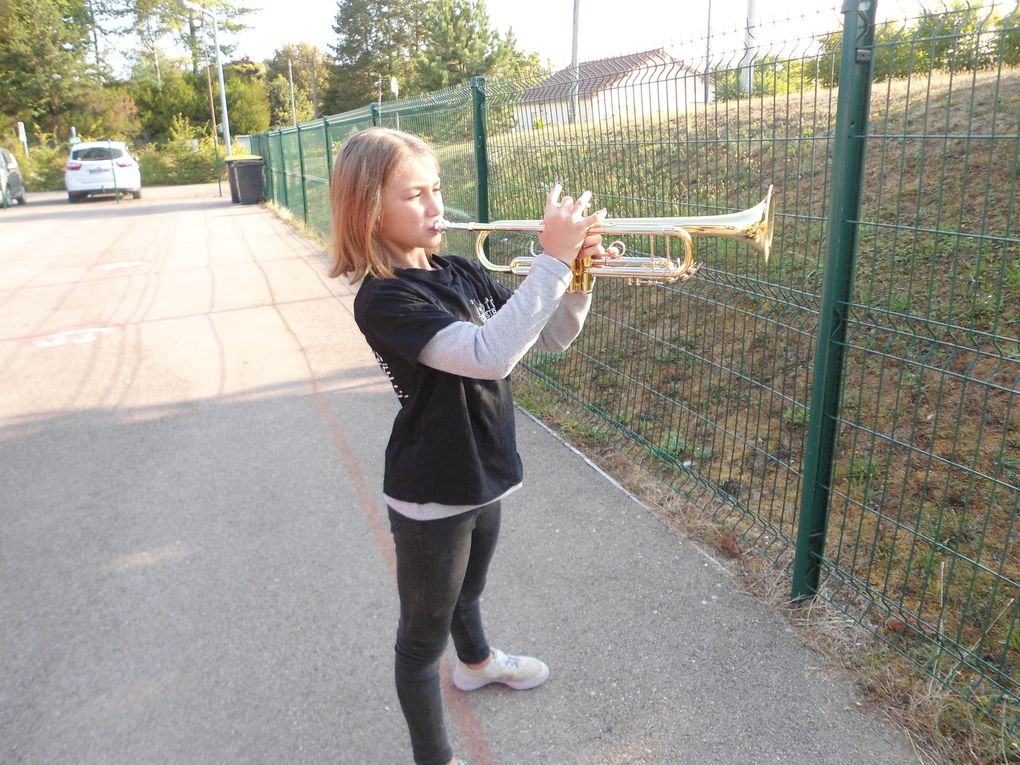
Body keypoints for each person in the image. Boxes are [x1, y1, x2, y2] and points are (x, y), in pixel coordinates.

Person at [329, 127, 612, 765]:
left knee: (469, 588)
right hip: (433, 485)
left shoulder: (456, 268)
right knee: (420, 641)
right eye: (414, 196)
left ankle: (478, 663)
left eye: (437, 190)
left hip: (485, 466)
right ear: (369, 209)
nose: (437, 208)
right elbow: (487, 355)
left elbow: (545, 338)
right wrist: (551, 261)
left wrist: (578, 274)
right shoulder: (385, 299)